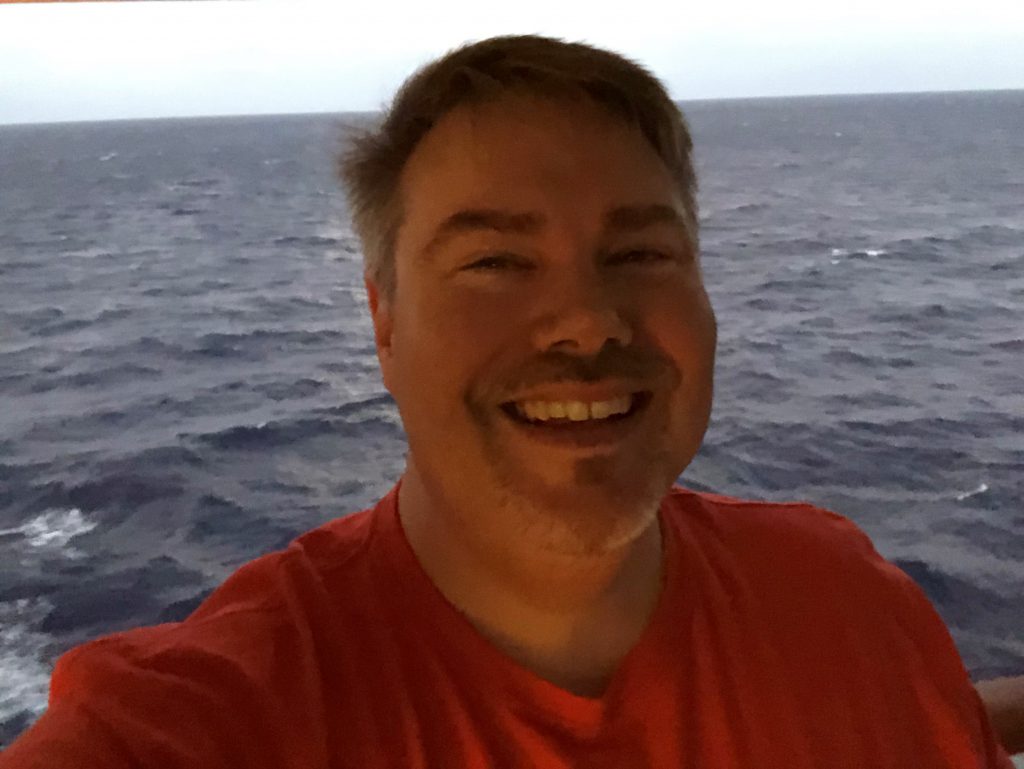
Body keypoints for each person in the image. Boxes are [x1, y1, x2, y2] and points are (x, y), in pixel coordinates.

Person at [1, 34, 1021, 768]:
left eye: (640, 253)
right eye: (494, 260)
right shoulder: (211, 715)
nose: (585, 320)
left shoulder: (849, 603)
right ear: (383, 321)